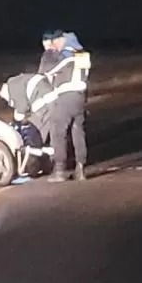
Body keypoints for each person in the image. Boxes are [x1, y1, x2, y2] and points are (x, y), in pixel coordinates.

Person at [38, 29, 90, 182]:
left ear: (62, 41)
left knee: (57, 132)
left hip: (65, 97)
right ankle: (80, 169)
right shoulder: (82, 55)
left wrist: (49, 52)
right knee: (78, 133)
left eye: (57, 42)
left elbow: (45, 71)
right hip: (80, 97)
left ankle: (59, 170)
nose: (56, 45)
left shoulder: (64, 56)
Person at [0, 68, 58, 176]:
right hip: (51, 98)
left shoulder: (12, 87)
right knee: (47, 132)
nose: (8, 103)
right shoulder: (17, 81)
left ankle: (40, 165)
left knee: (36, 133)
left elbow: (21, 110)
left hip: (44, 103)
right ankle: (52, 161)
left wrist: (16, 123)